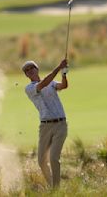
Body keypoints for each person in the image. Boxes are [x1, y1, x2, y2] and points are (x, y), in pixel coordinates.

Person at [22, 59, 69, 188]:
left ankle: (56, 190)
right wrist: (59, 67)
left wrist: (64, 74)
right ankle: (52, 186)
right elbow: (43, 84)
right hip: (45, 127)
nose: (30, 71)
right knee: (41, 160)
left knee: (54, 158)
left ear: (37, 69)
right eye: (27, 70)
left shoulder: (52, 83)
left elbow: (63, 86)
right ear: (26, 75)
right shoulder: (29, 88)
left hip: (60, 125)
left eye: (32, 68)